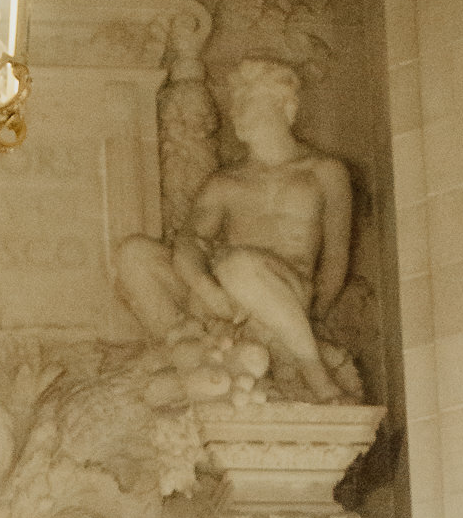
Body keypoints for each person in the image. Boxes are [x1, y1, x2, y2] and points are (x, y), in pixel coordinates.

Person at [115, 57, 353, 402]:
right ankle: (187, 352)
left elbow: (335, 259)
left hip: (285, 291)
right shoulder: (226, 182)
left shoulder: (324, 173)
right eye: (237, 101)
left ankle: (315, 373)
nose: (239, 111)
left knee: (237, 265)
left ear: (286, 108)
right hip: (227, 300)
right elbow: (189, 245)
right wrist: (207, 288)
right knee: (135, 255)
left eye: (250, 100)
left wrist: (314, 319)